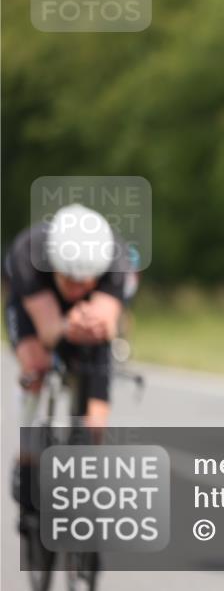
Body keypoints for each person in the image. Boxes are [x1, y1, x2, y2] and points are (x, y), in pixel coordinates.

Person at [4, 204, 131, 527]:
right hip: (37, 305)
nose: (78, 289)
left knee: (96, 412)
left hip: (91, 311)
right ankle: (27, 456)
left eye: (85, 282)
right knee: (36, 364)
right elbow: (48, 331)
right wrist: (65, 327)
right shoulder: (28, 253)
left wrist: (96, 322)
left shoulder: (114, 259)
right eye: (71, 282)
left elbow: (109, 321)